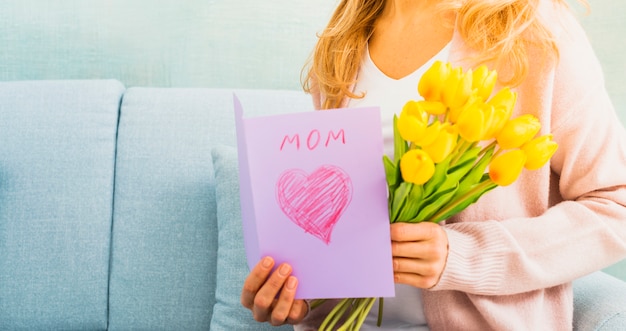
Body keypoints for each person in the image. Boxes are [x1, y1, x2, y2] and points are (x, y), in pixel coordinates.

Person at [240, 0, 626, 329]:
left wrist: (462, 256)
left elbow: (616, 206)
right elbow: (339, 225)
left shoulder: (532, 30)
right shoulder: (344, 38)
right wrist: (302, 298)